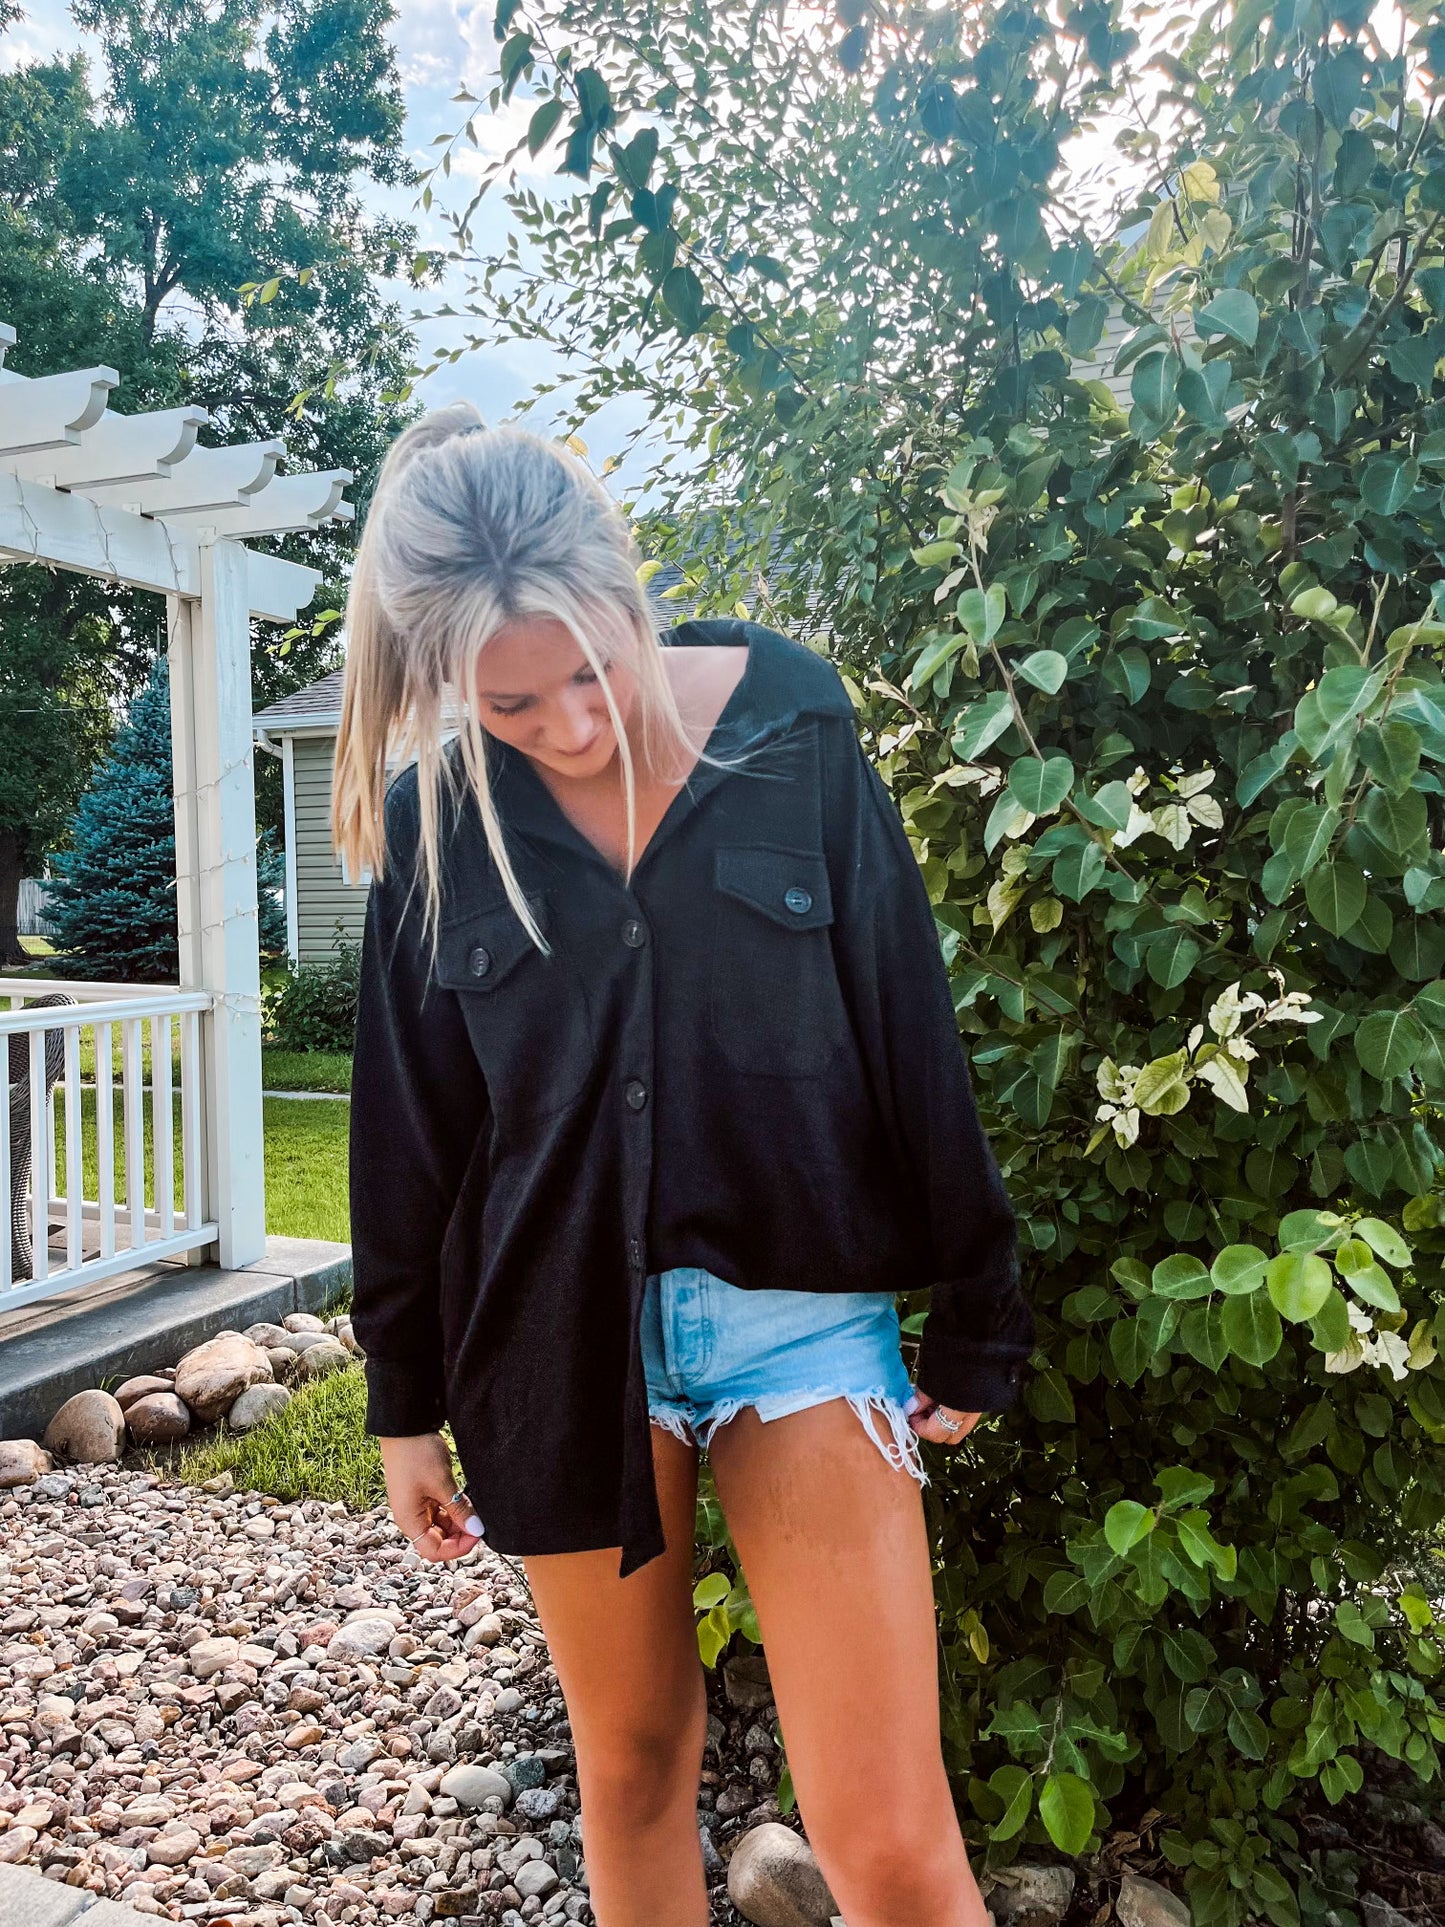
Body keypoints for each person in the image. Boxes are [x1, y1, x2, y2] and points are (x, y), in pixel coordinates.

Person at [332, 402, 1033, 1927]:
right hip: (553, 1337)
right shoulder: (433, 826)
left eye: (593, 670)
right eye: (512, 705)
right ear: (445, 683)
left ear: (627, 588)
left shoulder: (793, 728)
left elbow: (904, 1019)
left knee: (887, 1836)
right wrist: (403, 1404)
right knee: (634, 1768)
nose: (572, 725)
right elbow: (410, 1140)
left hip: (800, 1321)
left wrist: (980, 1310)